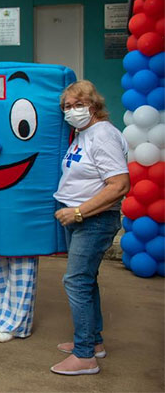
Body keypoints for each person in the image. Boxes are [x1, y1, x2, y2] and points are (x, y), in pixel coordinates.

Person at [50, 80, 129, 376]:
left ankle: (85, 357)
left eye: (78, 105)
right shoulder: (84, 134)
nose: (72, 111)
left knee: (75, 282)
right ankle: (93, 342)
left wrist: (79, 212)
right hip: (81, 218)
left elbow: (120, 184)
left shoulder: (103, 135)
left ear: (93, 106)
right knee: (86, 280)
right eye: (67, 107)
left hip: (93, 220)